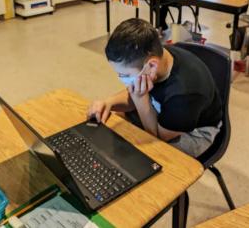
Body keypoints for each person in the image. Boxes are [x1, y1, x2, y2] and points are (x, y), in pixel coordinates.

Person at [88, 18, 222, 158]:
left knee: (146, 157)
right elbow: (134, 90)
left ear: (151, 65)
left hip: (195, 132)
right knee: (114, 130)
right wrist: (108, 103)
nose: (122, 78)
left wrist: (140, 99)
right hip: (163, 110)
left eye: (125, 74)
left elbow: (156, 137)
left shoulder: (184, 95)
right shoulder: (158, 55)